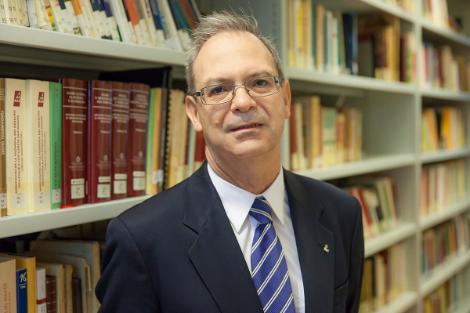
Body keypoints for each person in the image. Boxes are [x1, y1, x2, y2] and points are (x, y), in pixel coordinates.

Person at [96, 11, 364, 313]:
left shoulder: (341, 214)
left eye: (260, 82)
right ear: (195, 113)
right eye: (219, 89)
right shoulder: (142, 240)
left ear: (286, 99)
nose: (243, 102)